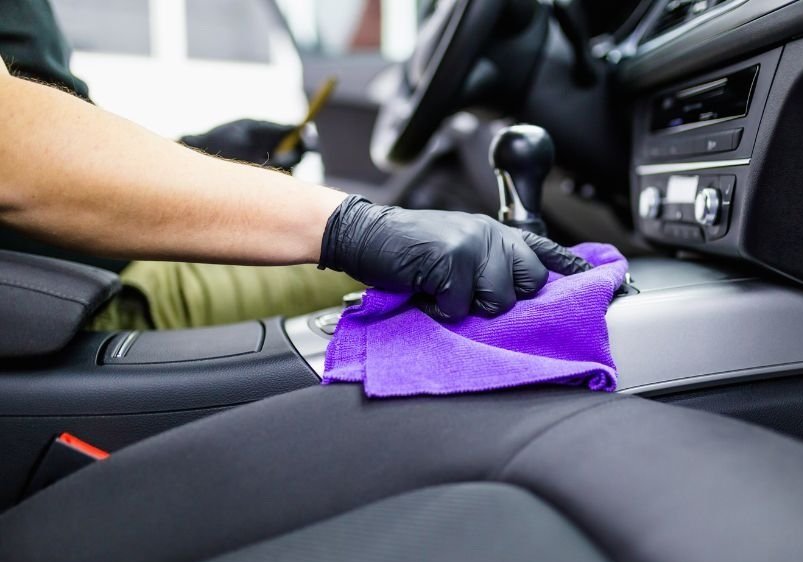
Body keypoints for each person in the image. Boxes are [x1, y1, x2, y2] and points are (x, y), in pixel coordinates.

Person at [0, 56, 589, 325]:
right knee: (418, 275)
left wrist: (202, 143)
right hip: (74, 287)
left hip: (87, 258)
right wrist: (349, 228)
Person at [0, 0, 353, 329]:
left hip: (103, 264)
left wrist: (201, 149)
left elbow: (50, 146)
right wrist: (342, 226)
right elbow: (15, 158)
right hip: (86, 293)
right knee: (364, 277)